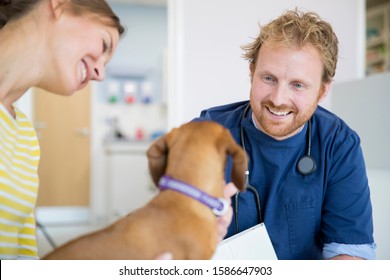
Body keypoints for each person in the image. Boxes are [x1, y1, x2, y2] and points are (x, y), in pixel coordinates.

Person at [0, 0, 235, 259]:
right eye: (103, 44)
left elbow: (21, 258)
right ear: (58, 5)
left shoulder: (23, 135)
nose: (100, 74)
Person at [194, 9, 376, 260]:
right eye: (268, 78)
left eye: (298, 85)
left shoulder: (339, 144)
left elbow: (350, 252)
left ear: (323, 91)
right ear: (251, 72)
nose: (278, 99)